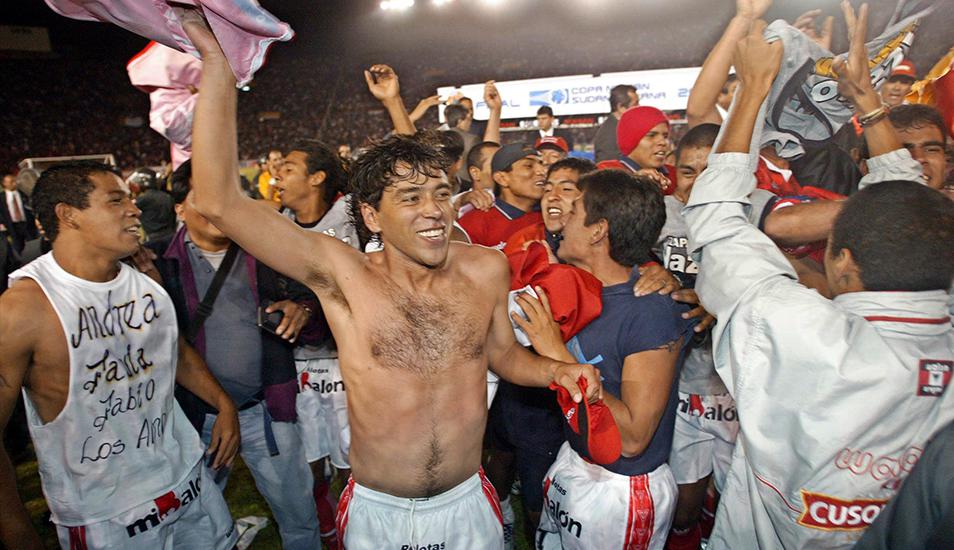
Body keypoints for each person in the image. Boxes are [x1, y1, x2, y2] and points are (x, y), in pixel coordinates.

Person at [181, 13, 600, 549]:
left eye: (439, 193)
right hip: (380, 513)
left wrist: (555, 371)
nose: (434, 212)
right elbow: (217, 200)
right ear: (372, 217)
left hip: (468, 501)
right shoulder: (342, 274)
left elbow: (503, 356)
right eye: (410, 198)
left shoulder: (484, 268)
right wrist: (217, 64)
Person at [684, 10, 954, 549]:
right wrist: (868, 102)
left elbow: (712, 219)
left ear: (844, 263)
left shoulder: (797, 330)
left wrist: (753, 89)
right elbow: (912, 209)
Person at [0, 161, 239, 550]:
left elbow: (173, 349)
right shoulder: (23, 309)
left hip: (188, 481)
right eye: (116, 200)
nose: (135, 209)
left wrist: (222, 403)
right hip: (106, 516)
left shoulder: (144, 282)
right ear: (68, 215)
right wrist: (16, 530)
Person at [520, 170, 694, 550]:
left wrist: (557, 355)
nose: (562, 214)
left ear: (598, 230)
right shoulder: (576, 288)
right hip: (575, 462)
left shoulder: (651, 310)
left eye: (575, 206)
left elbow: (632, 437)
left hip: (620, 490)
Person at [157, 162, 322, 550]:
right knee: (194, 527)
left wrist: (305, 310)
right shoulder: (156, 264)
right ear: (179, 207)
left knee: (300, 517)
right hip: (195, 420)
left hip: (266, 411)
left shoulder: (268, 251)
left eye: (226, 199)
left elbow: (314, 304)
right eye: (206, 199)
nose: (219, 210)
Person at [272, 138, 359, 547]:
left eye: (288, 167)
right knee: (308, 459)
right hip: (296, 362)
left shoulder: (354, 217)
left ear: (317, 177)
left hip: (348, 360)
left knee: (351, 459)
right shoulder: (277, 224)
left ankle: (352, 528)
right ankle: (325, 528)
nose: (277, 175)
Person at [458, 143, 546, 249]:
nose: (542, 171)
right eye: (528, 166)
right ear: (502, 179)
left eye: (542, 164)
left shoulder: (551, 216)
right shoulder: (474, 223)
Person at [593, 84, 638, 163]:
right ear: (621, 107)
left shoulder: (622, 127)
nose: (639, 107)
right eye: (635, 104)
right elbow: (608, 169)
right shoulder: (609, 134)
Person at [1, 173, 38, 253]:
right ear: (4, 183)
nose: (14, 183)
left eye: (15, 181)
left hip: (26, 224)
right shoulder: (2, 197)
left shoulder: (23, 194)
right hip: (12, 226)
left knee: (33, 244)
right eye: (11, 182)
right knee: (18, 246)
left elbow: (30, 207)